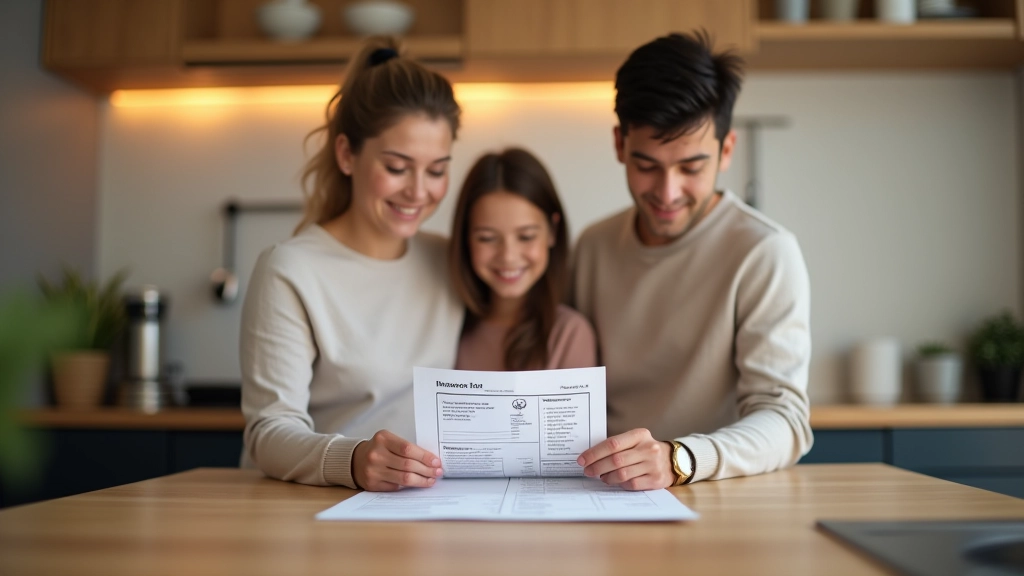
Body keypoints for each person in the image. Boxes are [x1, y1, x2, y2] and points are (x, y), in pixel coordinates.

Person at [572, 31, 813, 490]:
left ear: (726, 151)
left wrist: (679, 457)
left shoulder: (764, 252)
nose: (667, 193)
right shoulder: (593, 247)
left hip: (711, 492)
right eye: (647, 166)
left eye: (690, 168)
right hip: (602, 492)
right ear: (620, 145)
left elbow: (785, 420)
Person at [240, 36, 462, 492]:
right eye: (398, 167)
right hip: (317, 506)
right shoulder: (291, 269)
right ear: (347, 155)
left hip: (423, 508)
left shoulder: (449, 260)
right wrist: (355, 459)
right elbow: (268, 432)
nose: (419, 192)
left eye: (437, 170)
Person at [450, 148, 596, 371]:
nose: (508, 256)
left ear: (552, 231)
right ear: (465, 238)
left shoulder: (569, 335)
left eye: (526, 236)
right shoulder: (448, 329)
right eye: (487, 238)